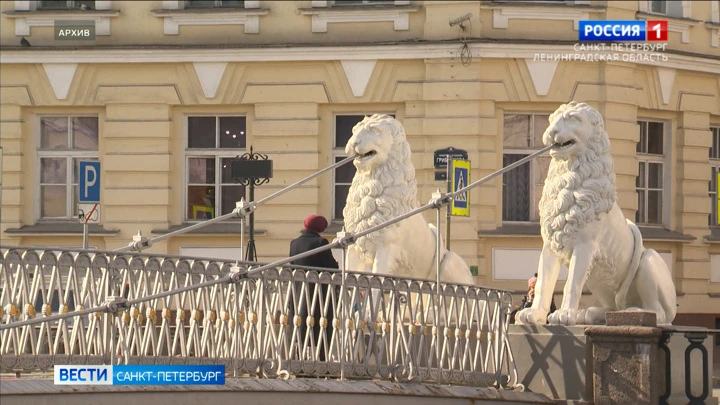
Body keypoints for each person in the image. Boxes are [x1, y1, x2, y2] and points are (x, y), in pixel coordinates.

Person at [288, 215, 338, 361]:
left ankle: (298, 359)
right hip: (317, 293)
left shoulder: (294, 243)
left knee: (300, 325)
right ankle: (321, 362)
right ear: (321, 228)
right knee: (320, 327)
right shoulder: (321, 242)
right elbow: (331, 267)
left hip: (297, 291)